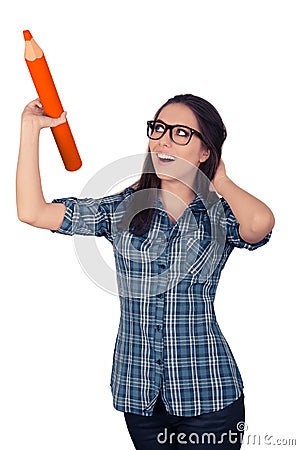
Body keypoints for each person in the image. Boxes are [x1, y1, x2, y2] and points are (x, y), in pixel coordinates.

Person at [16, 94, 275, 449]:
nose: (163, 140)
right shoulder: (123, 208)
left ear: (206, 150)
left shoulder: (219, 213)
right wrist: (30, 129)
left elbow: (260, 224)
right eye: (158, 128)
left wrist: (219, 181)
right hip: (139, 393)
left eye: (181, 133)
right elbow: (33, 212)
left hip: (209, 391)